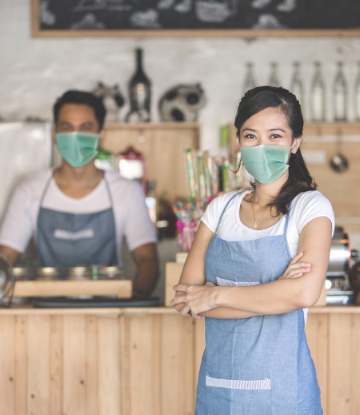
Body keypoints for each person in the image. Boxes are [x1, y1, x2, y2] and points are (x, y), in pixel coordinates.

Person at [171, 86, 334, 414]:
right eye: (251, 136)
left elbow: (303, 294)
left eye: (275, 136)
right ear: (239, 142)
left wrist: (215, 294)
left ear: (294, 143)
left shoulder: (310, 208)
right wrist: (276, 294)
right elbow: (187, 300)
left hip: (285, 394)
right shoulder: (220, 208)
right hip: (217, 389)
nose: (262, 146)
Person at [0, 90, 158, 297]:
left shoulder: (127, 192)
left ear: (101, 134)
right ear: (54, 135)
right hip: (45, 313)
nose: (75, 137)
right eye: (67, 128)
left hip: (108, 313)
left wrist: (135, 300)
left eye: (85, 127)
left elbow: (149, 260)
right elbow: (5, 259)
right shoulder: (29, 191)